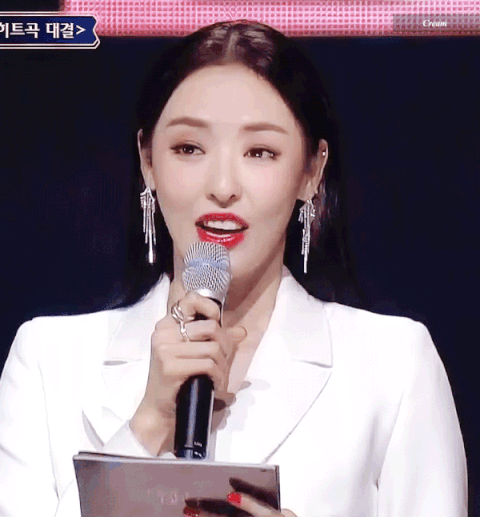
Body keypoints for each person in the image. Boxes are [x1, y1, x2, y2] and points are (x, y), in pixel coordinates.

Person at [0, 20, 467, 517]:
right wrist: (148, 424)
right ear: (148, 161)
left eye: (260, 152)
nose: (223, 186)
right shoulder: (49, 362)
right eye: (189, 149)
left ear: (311, 171)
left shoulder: (393, 365)